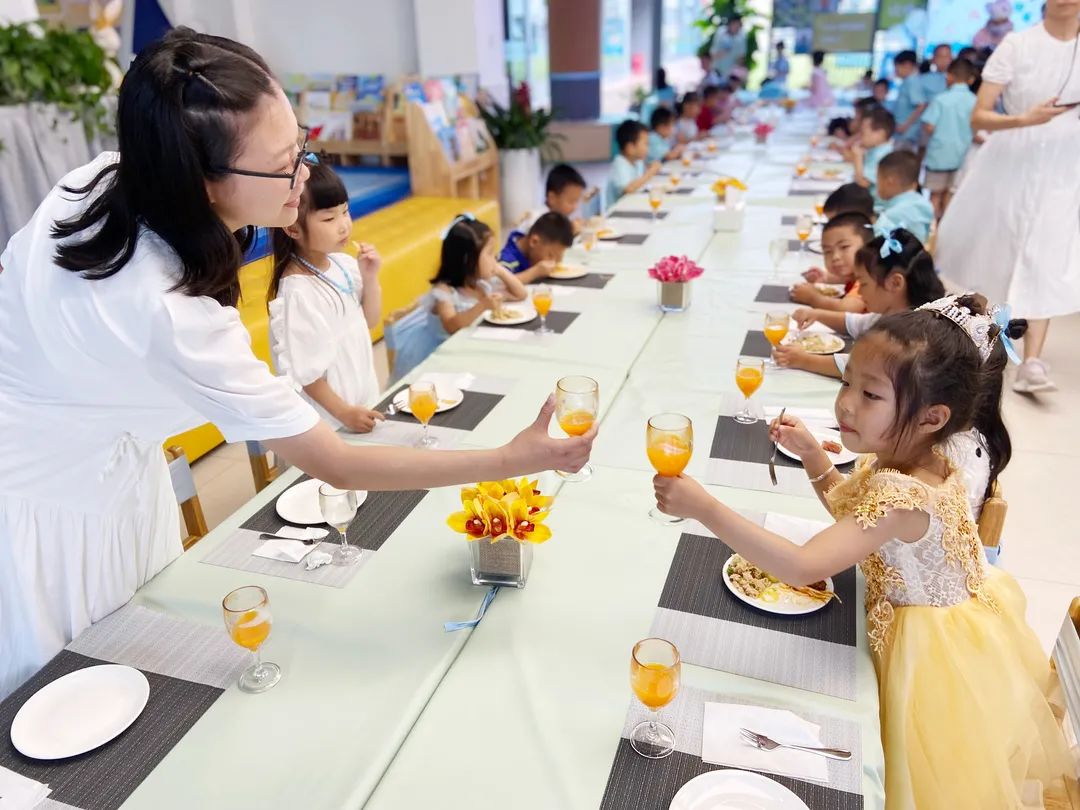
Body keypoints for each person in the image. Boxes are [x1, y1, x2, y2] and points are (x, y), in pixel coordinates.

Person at [0, 28, 595, 701]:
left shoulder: (106, 179)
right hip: (55, 509)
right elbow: (336, 462)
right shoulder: (170, 311)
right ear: (202, 179)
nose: (304, 179)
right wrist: (511, 457)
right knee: (81, 697)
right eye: (285, 166)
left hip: (110, 468)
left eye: (302, 149)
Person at [654, 294, 1076, 809]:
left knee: (906, 777)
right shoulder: (910, 456)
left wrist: (705, 508)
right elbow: (855, 518)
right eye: (847, 381)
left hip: (931, 653)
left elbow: (804, 563)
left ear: (931, 416)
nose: (846, 403)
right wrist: (814, 457)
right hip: (937, 619)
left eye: (870, 394)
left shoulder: (904, 493)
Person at [936, 0, 1080, 394]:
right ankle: (986, 337)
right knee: (997, 251)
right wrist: (1023, 119)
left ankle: (1033, 359)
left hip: (1064, 168)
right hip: (1012, 160)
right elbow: (979, 115)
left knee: (1046, 255)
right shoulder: (1017, 45)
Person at [268, 161, 383, 434]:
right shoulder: (298, 292)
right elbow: (308, 376)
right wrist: (345, 413)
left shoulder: (343, 264)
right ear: (293, 229)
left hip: (359, 401)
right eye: (329, 218)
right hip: (331, 420)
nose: (344, 225)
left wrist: (370, 277)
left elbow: (370, 319)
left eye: (345, 212)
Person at [778, 227, 946, 377]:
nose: (859, 291)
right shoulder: (895, 313)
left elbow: (861, 366)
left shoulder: (914, 334)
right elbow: (857, 322)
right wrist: (817, 314)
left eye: (863, 283)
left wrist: (803, 360)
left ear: (895, 283)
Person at [391, 216, 528, 378]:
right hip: (441, 358)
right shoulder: (445, 291)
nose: (495, 258)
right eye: (490, 254)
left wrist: (498, 269)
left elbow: (520, 294)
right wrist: (482, 306)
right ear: (467, 260)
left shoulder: (481, 285)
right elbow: (451, 325)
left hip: (469, 351)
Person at [921, 58, 978, 219]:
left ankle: (931, 231)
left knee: (935, 196)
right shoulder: (975, 101)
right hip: (962, 156)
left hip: (939, 156)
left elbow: (929, 126)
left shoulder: (940, 99)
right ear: (971, 79)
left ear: (949, 76)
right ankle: (944, 229)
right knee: (950, 196)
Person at [791, 212, 874, 311]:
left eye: (844, 247)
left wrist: (813, 298)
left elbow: (846, 309)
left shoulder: (869, 276)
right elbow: (849, 277)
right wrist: (825, 277)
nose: (835, 257)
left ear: (868, 246)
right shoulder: (857, 272)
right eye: (827, 251)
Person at [875, 151, 935, 243]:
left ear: (890, 182)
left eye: (878, 179)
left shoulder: (892, 216)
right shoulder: (923, 203)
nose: (877, 184)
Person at [498, 211, 574, 282]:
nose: (553, 263)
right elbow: (499, 285)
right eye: (550, 255)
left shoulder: (532, 248)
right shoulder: (507, 259)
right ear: (534, 242)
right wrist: (534, 272)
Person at [516, 163, 589, 234]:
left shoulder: (558, 219)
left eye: (576, 201)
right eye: (571, 202)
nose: (574, 207)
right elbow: (547, 241)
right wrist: (570, 232)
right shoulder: (537, 219)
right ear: (552, 198)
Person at [606, 120, 660, 203]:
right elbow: (629, 189)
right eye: (645, 144)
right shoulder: (620, 163)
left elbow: (637, 183)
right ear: (630, 148)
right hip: (619, 210)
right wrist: (650, 173)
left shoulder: (636, 161)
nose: (648, 148)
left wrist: (649, 168)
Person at [852, 106, 896, 202]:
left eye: (863, 133)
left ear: (880, 134)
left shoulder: (882, 155)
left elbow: (863, 183)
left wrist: (857, 157)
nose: (860, 137)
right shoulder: (877, 149)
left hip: (875, 206)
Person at [891, 50, 927, 151]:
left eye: (896, 67)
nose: (895, 71)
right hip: (902, 134)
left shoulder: (912, 82)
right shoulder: (907, 82)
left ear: (907, 65)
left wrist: (905, 126)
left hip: (907, 135)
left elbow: (921, 105)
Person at [709, 15, 746, 81]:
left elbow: (741, 56)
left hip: (731, 73)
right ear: (730, 24)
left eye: (739, 26)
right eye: (736, 25)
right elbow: (713, 53)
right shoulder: (720, 33)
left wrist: (738, 71)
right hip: (717, 69)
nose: (737, 28)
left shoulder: (741, 37)